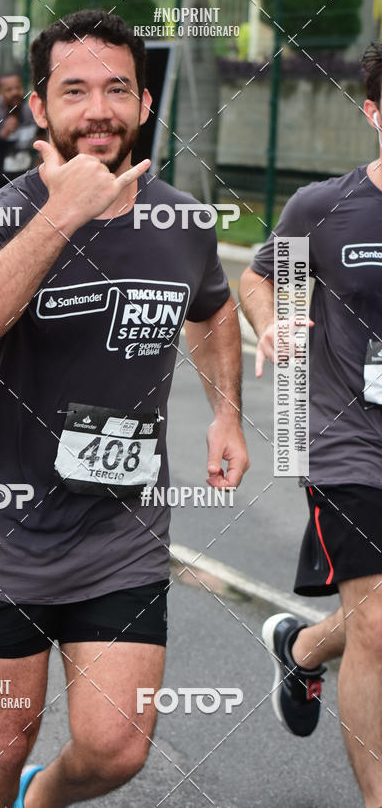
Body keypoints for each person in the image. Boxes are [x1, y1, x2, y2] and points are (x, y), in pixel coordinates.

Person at [0, 9, 249, 808]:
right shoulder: (2, 214)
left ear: (146, 104)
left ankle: (42, 802)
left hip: (122, 532)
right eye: (75, 90)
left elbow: (211, 311)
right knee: (0, 743)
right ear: (40, 108)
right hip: (4, 531)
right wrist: (62, 213)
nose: (98, 108)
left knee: (115, 750)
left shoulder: (182, 221)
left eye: (117, 88)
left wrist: (228, 413)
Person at [239, 42, 382, 807]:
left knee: (369, 618)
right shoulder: (325, 207)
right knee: (381, 624)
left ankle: (301, 648)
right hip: (347, 437)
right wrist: (271, 324)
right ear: (373, 111)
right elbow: (261, 275)